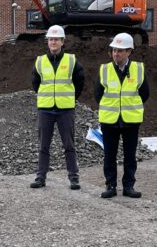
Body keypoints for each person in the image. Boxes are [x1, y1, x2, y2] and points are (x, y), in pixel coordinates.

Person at [94, 32, 149, 199]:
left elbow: (145, 93)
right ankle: (110, 186)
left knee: (130, 156)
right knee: (109, 156)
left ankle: (129, 186)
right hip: (109, 120)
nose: (115, 54)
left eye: (119, 50)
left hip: (131, 120)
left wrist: (129, 107)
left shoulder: (138, 69)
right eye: (113, 50)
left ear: (129, 52)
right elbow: (98, 94)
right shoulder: (104, 69)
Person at [30, 25, 84, 190]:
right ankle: (41, 178)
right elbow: (35, 83)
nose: (53, 42)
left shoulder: (72, 61)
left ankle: (74, 178)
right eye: (50, 39)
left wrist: (69, 98)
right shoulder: (40, 61)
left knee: (69, 145)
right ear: (47, 41)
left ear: (62, 41)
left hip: (65, 110)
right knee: (43, 146)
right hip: (45, 109)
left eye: (56, 39)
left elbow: (79, 82)